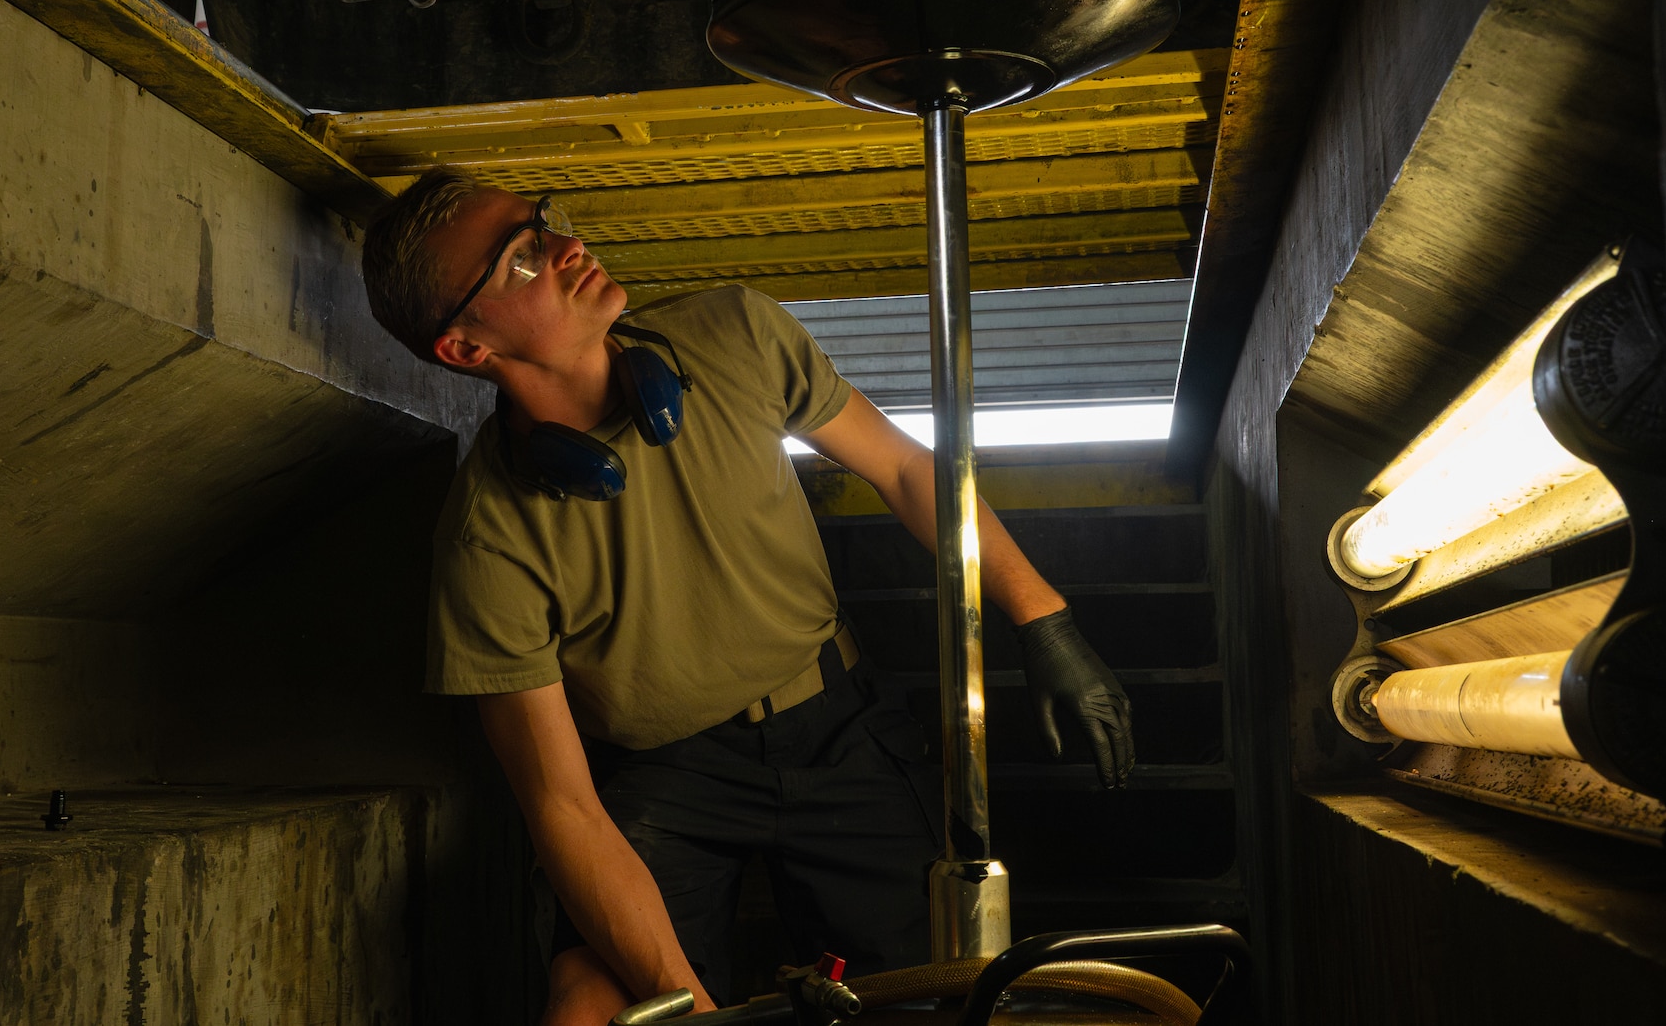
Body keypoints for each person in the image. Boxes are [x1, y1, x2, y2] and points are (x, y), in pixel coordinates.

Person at [360, 170, 1134, 1024]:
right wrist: (685, 1004)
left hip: (837, 726)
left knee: (936, 995)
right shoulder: (485, 540)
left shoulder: (733, 331)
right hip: (664, 776)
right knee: (588, 1009)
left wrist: (1044, 616)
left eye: (544, 223)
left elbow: (908, 468)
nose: (566, 247)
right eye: (520, 259)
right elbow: (563, 805)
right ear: (468, 349)